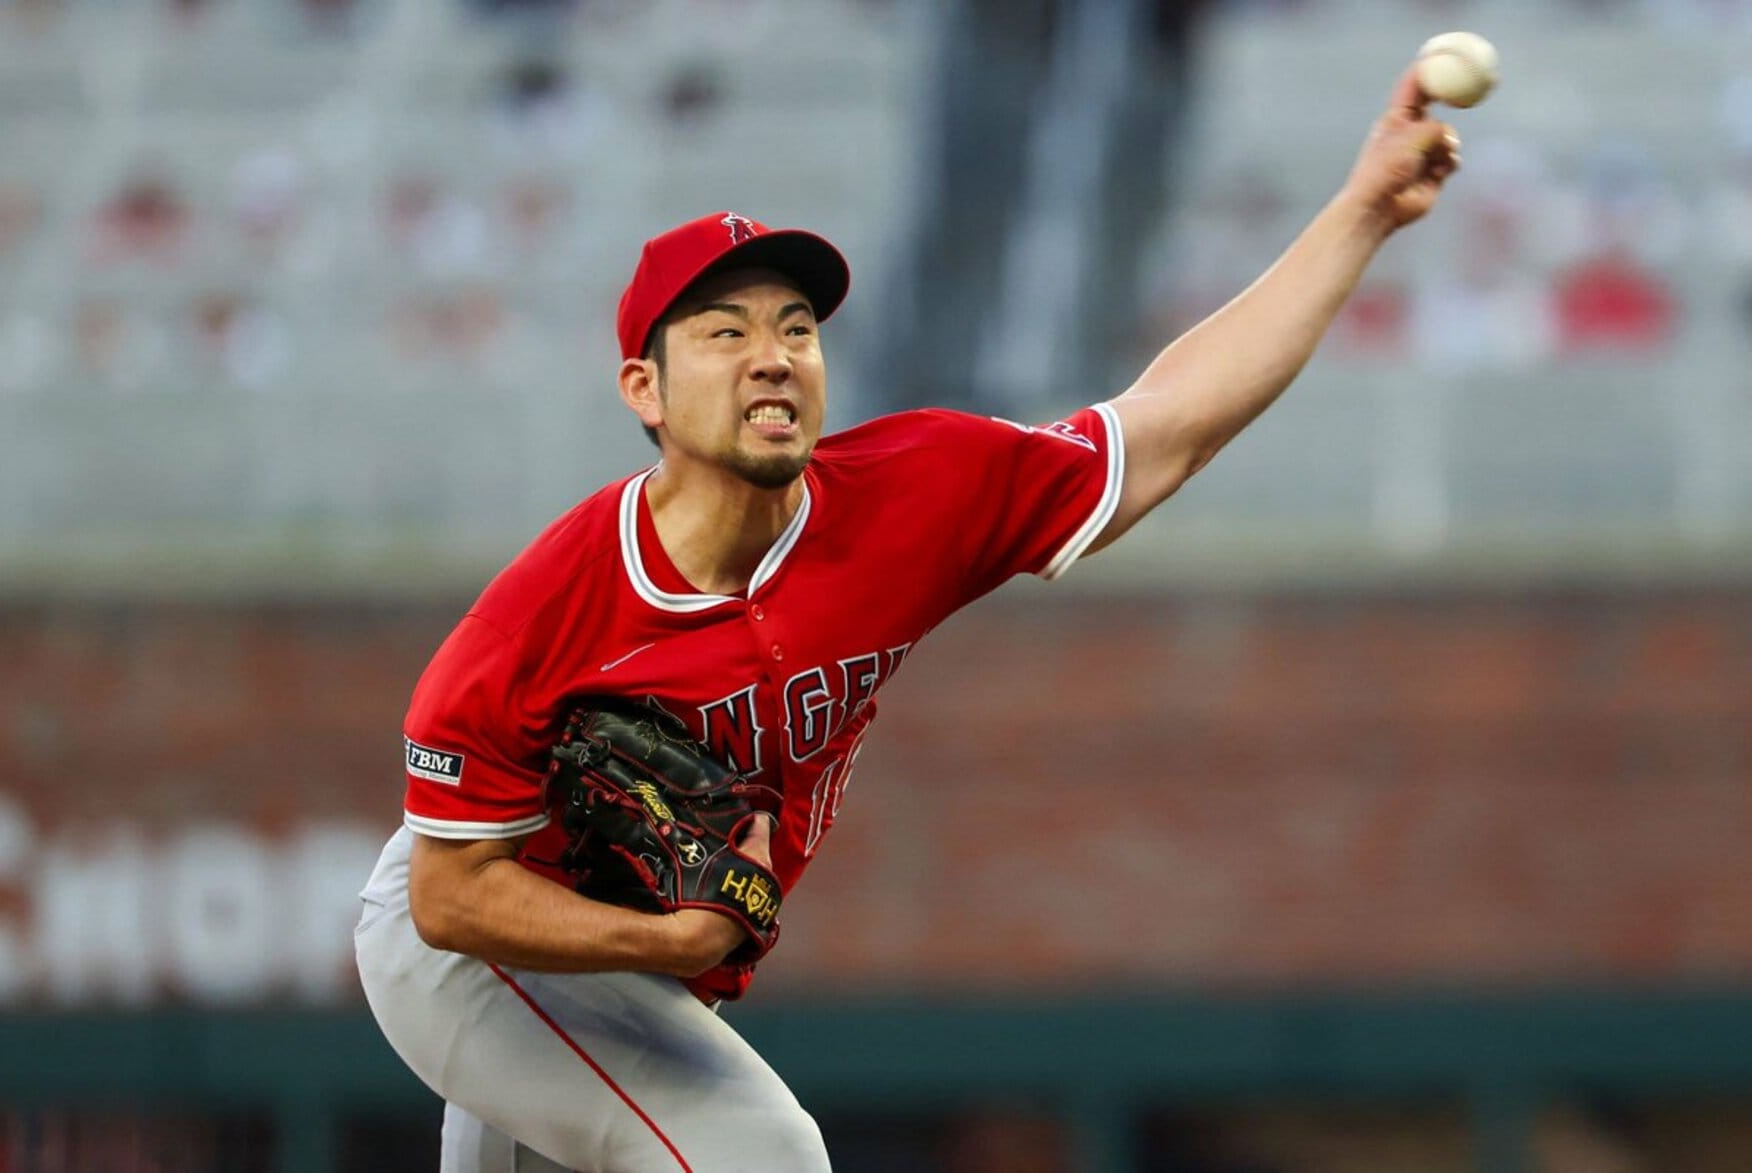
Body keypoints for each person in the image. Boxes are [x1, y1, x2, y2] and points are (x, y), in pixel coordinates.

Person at [354, 63, 1461, 1173]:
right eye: (723, 334)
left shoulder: (911, 489)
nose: (774, 355)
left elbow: (1163, 426)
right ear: (643, 389)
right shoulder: (549, 608)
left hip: (624, 977)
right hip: (474, 942)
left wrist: (1360, 212)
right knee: (758, 1152)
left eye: (794, 327)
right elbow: (452, 897)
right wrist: (670, 936)